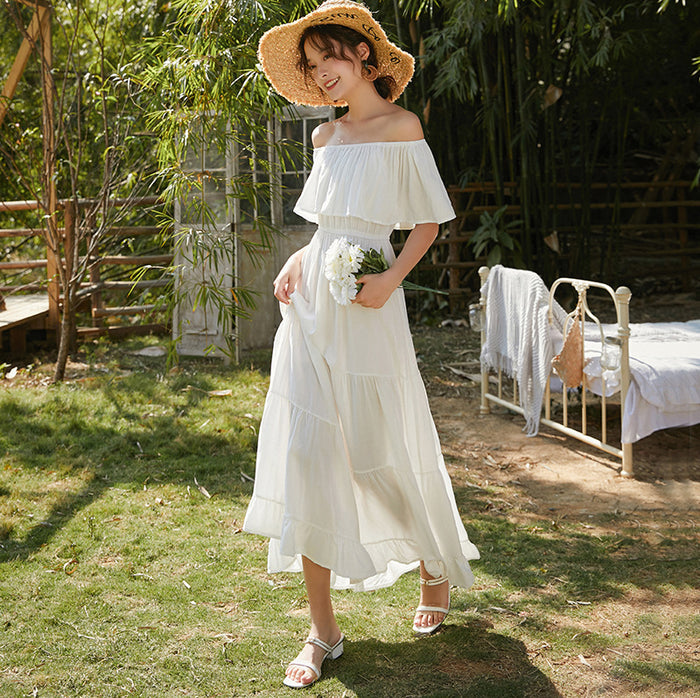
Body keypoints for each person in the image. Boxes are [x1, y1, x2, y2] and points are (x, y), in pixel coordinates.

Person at [243, 0, 479, 689]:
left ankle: (433, 565)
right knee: (306, 455)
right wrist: (297, 259)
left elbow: (430, 225)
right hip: (313, 305)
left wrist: (389, 282)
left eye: (332, 61)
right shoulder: (325, 139)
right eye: (313, 68)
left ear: (366, 59)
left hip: (371, 303)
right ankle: (323, 632)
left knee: (376, 453)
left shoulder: (403, 127)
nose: (322, 77)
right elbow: (325, 227)